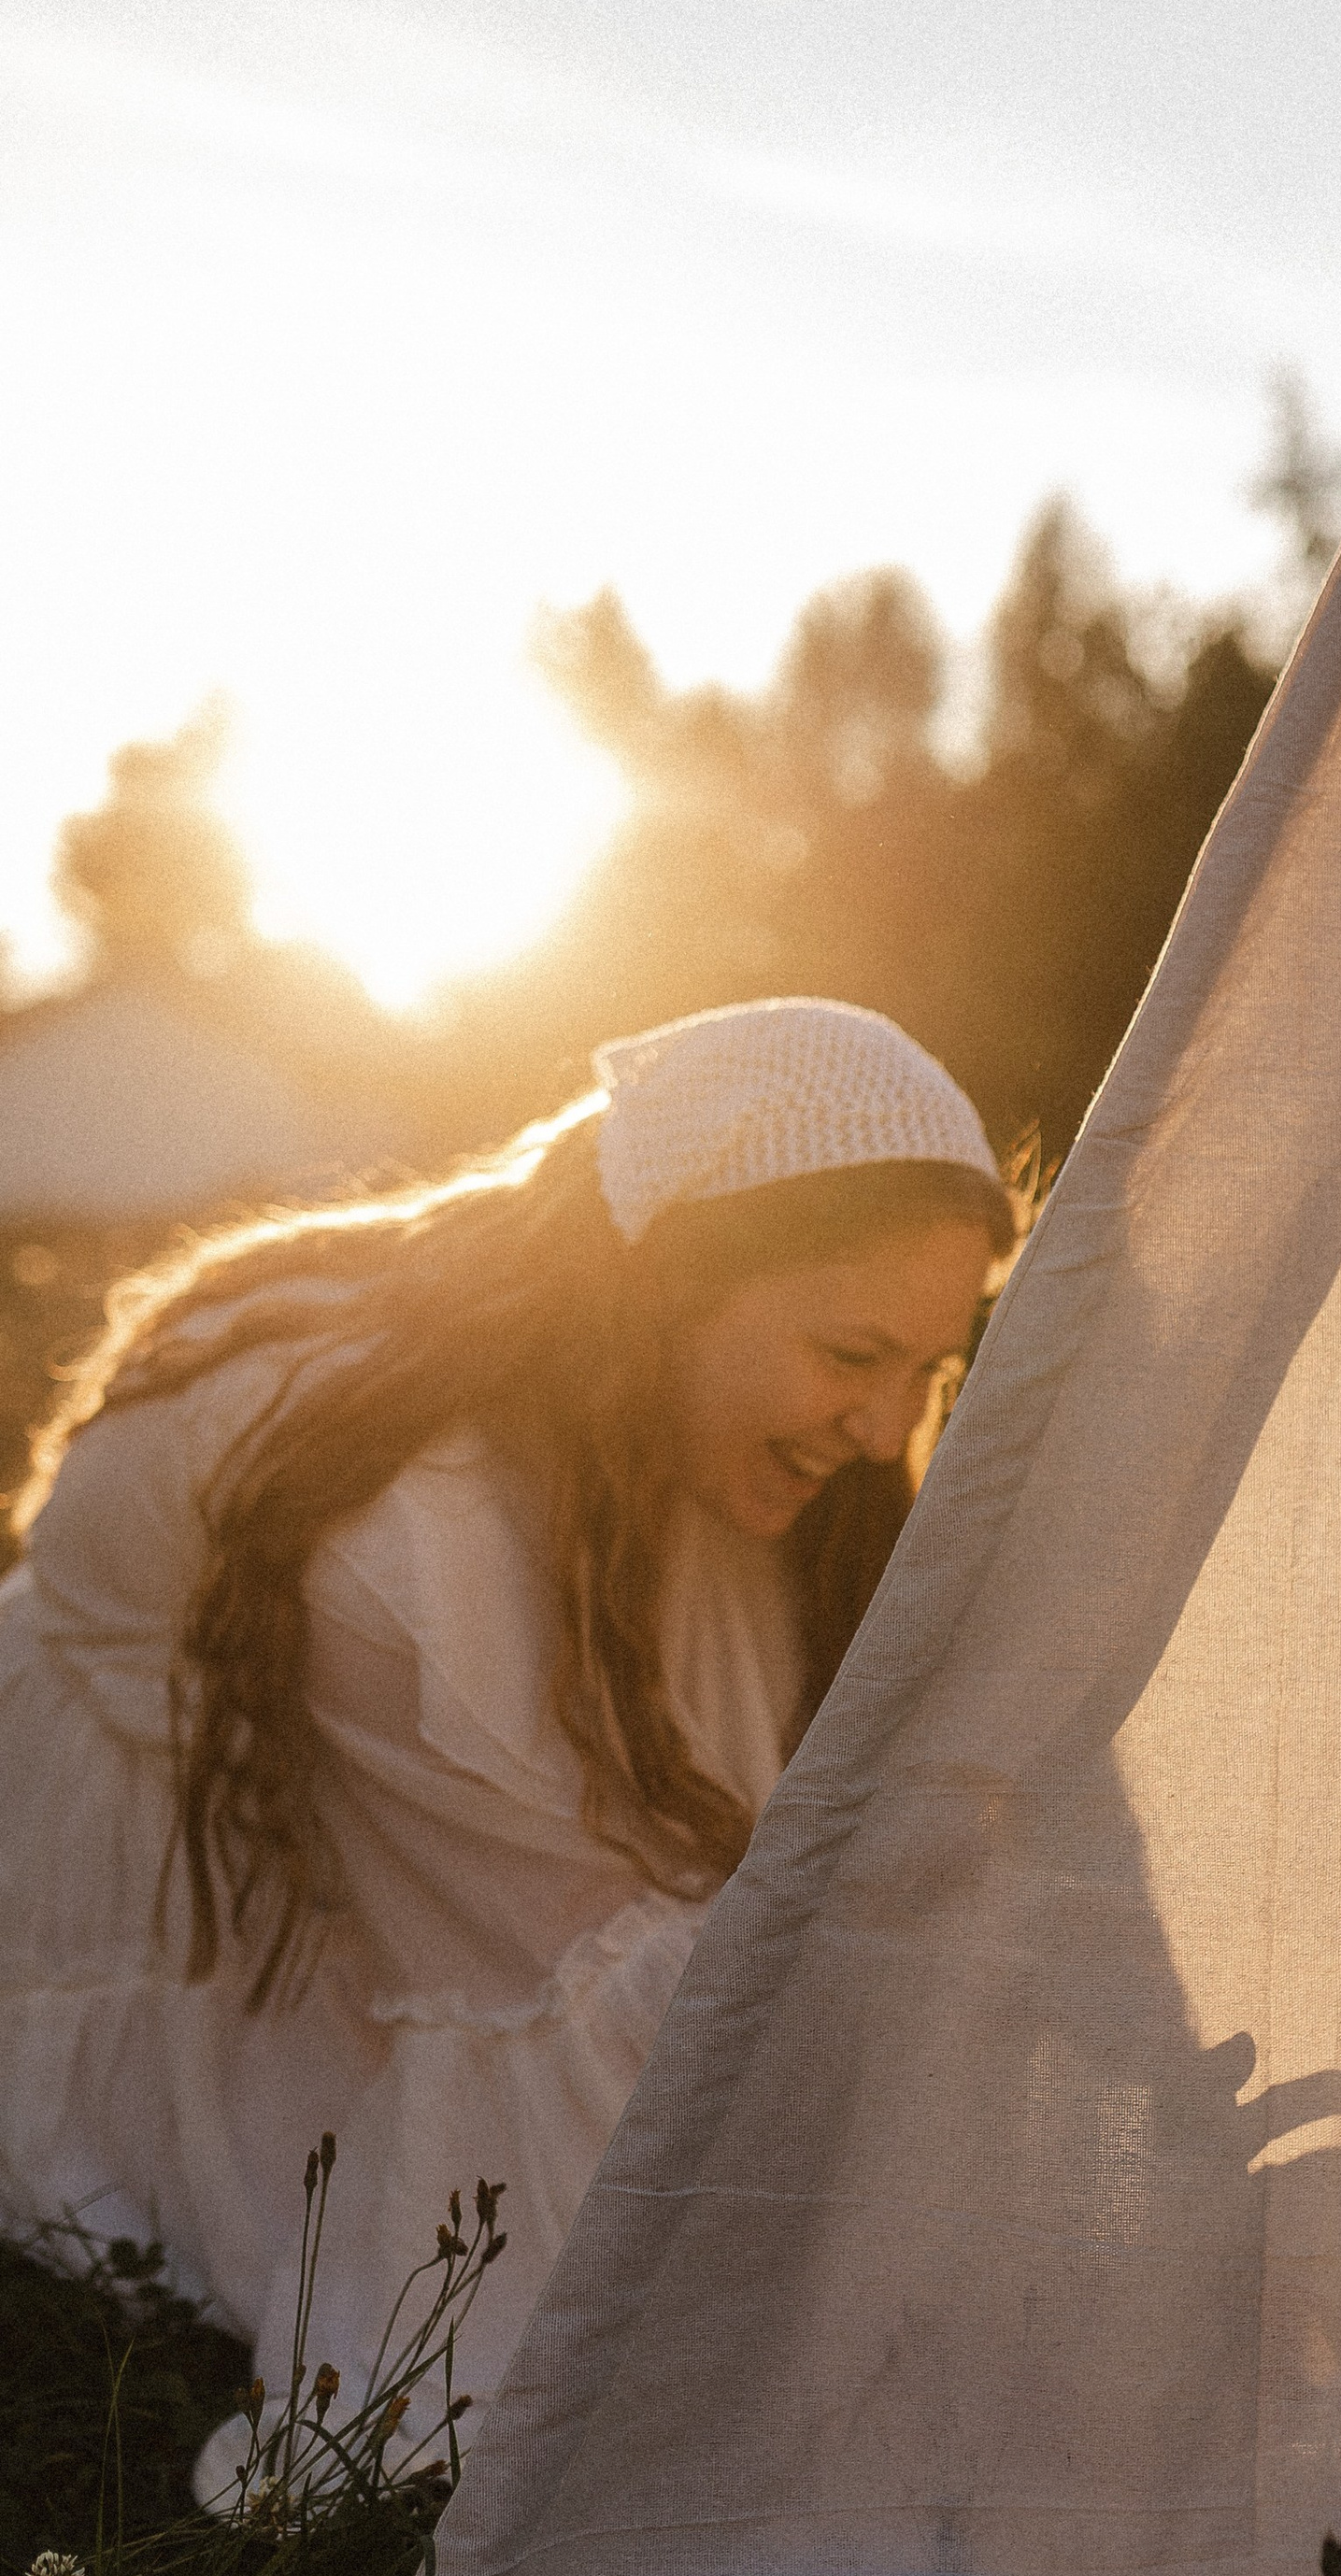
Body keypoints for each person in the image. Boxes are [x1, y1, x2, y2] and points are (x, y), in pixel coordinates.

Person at [0, 996, 1019, 2484]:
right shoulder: (400, 1534)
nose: (884, 1427)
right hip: (119, 1871)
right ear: (666, 1286)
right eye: (850, 1351)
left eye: (929, 1370)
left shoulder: (643, 1434)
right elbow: (600, 1993)